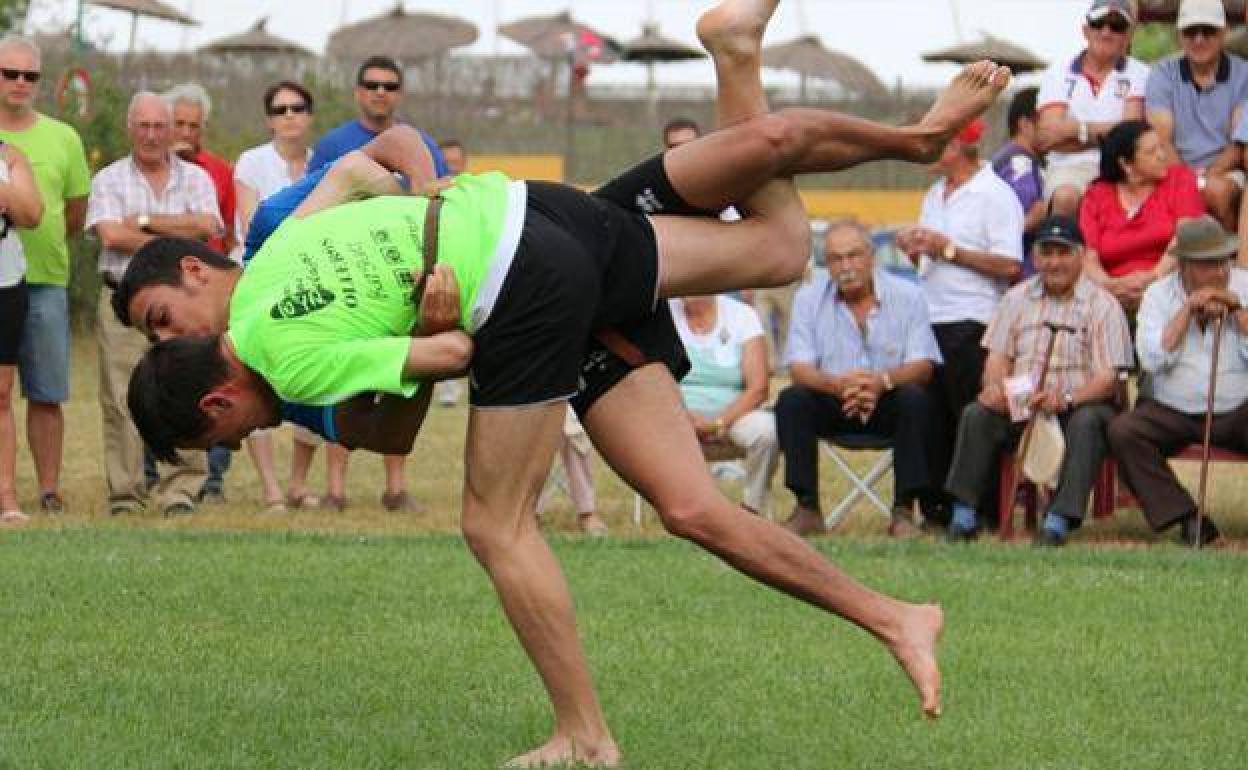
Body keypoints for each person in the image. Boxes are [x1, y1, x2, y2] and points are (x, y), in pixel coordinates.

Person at [117, 3, 1011, 762]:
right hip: (537, 213)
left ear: (214, 394)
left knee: (492, 523)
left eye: (224, 436)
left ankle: (585, 737)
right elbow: (360, 209)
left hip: (518, 281)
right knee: (766, 279)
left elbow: (443, 355)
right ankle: (897, 617)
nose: (246, 442)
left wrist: (430, 279)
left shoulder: (278, 355)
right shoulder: (274, 259)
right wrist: (430, 221)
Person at [308, 54, 449, 514]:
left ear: (399, 93)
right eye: (371, 84)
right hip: (350, 274)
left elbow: (440, 204)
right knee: (345, 377)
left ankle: (395, 487)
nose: (380, 92)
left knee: (399, 376)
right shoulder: (334, 144)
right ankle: (334, 488)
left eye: (390, 85)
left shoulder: (422, 144)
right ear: (357, 91)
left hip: (402, 277)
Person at [943, 215, 1133, 544]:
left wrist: (1067, 398)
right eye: (1046, 253)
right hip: (1023, 401)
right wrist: (995, 389)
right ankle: (964, 515)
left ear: (1081, 256)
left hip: (1078, 404)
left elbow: (1108, 379)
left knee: (1088, 423)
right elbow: (997, 358)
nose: (1054, 262)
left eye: (1063, 253)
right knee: (978, 414)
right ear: (1034, 258)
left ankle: (1058, 520)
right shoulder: (1016, 298)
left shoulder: (1103, 305)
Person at [86, 91, 222, 516]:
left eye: (159, 126)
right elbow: (111, 236)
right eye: (142, 126)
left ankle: (180, 491)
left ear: (171, 130)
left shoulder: (196, 179)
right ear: (130, 128)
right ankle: (126, 494)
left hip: (184, 306)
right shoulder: (108, 178)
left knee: (188, 391)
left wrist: (143, 223)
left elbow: (208, 225)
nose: (151, 135)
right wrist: (177, 241)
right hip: (122, 302)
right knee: (121, 398)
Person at [777, 219, 945, 537]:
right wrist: (837, 386)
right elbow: (799, 367)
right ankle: (807, 506)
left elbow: (923, 365)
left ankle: (904, 510)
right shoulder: (808, 298)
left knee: (916, 398)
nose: (846, 266)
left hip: (888, 402)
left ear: (872, 256)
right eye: (836, 259)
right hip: (833, 400)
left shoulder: (909, 296)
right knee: (792, 400)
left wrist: (880, 383)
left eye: (853, 255)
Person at [896, 117, 1024, 521]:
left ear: (956, 147)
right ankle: (937, 503)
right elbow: (932, 259)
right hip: (931, 316)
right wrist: (916, 249)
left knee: (969, 415)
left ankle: (978, 506)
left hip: (973, 318)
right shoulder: (935, 194)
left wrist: (949, 250)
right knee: (933, 416)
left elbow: (1009, 264)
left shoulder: (996, 194)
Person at [1108, 215, 1248, 546]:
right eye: (1207, 264)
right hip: (1171, 410)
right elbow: (1154, 360)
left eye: (1223, 261)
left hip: (1237, 408)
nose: (1219, 272)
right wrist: (1187, 311)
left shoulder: (1244, 285)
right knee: (1124, 431)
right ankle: (1188, 519)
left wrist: (1239, 313)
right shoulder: (1157, 296)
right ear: (1184, 265)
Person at [0, 35, 90, 515]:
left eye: (29, 75)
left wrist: (47, 238)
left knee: (46, 391)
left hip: (45, 279)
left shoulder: (64, 138)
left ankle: (49, 489)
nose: (19, 83)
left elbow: (74, 212)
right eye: (9, 73)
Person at [234, 80, 317, 512]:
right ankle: (270, 489)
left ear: (309, 115)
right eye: (281, 109)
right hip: (260, 283)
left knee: (315, 381)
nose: (290, 116)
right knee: (256, 383)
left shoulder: (322, 163)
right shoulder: (251, 163)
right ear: (269, 119)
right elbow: (252, 225)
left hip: (310, 283)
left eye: (298, 108)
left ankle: (298, 485)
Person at [162, 82, 239, 504]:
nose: (186, 132)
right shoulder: (153, 169)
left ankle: (213, 479)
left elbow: (223, 232)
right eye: (180, 124)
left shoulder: (220, 171)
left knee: (218, 380)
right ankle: (161, 471)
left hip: (209, 296)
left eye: (194, 125)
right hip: (168, 298)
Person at [1036, 0, 1149, 217]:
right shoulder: (1058, 72)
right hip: (1067, 168)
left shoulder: (1141, 73)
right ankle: (1063, 250)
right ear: (1085, 30)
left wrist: (1076, 130)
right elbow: (1047, 138)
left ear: (1128, 35)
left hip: (1122, 168)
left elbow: (1129, 136)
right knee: (1065, 197)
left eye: (1117, 26)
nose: (1106, 32)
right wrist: (1107, 135)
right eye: (1099, 23)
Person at [1079, 120, 1205, 313]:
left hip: (1170, 288)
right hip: (1111, 298)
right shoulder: (1097, 195)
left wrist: (1154, 278)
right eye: (1151, 152)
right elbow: (1088, 256)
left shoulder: (1180, 179)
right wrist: (1110, 286)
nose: (1162, 156)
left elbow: (1186, 236)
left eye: (1161, 148)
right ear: (1126, 164)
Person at [671, 294, 777, 516]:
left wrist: (717, 423)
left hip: (736, 415)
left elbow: (758, 388)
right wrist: (684, 417)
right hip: (677, 416)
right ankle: (683, 511)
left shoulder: (742, 316)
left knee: (767, 432)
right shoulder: (664, 316)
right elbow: (653, 380)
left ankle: (751, 511)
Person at [1146, 0, 1248, 231]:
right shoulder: (1161, 73)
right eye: (1191, 31)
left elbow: (1239, 144)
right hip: (1172, 169)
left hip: (1225, 170)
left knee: (1216, 191)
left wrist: (1204, 180)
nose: (1199, 39)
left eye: (1208, 31)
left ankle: (1229, 259)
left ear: (1223, 33)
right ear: (1179, 36)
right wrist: (1188, 182)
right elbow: (1162, 140)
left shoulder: (1244, 74)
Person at [0, 142, 43, 525]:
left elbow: (31, 213)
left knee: (1, 394)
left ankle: (7, 498)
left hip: (5, 283)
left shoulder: (10, 155)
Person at [990, 86, 1046, 274]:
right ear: (1025, 124)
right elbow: (1022, 217)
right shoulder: (1019, 163)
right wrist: (1040, 216)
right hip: (1020, 275)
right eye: (1048, 121)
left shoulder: (1006, 158)